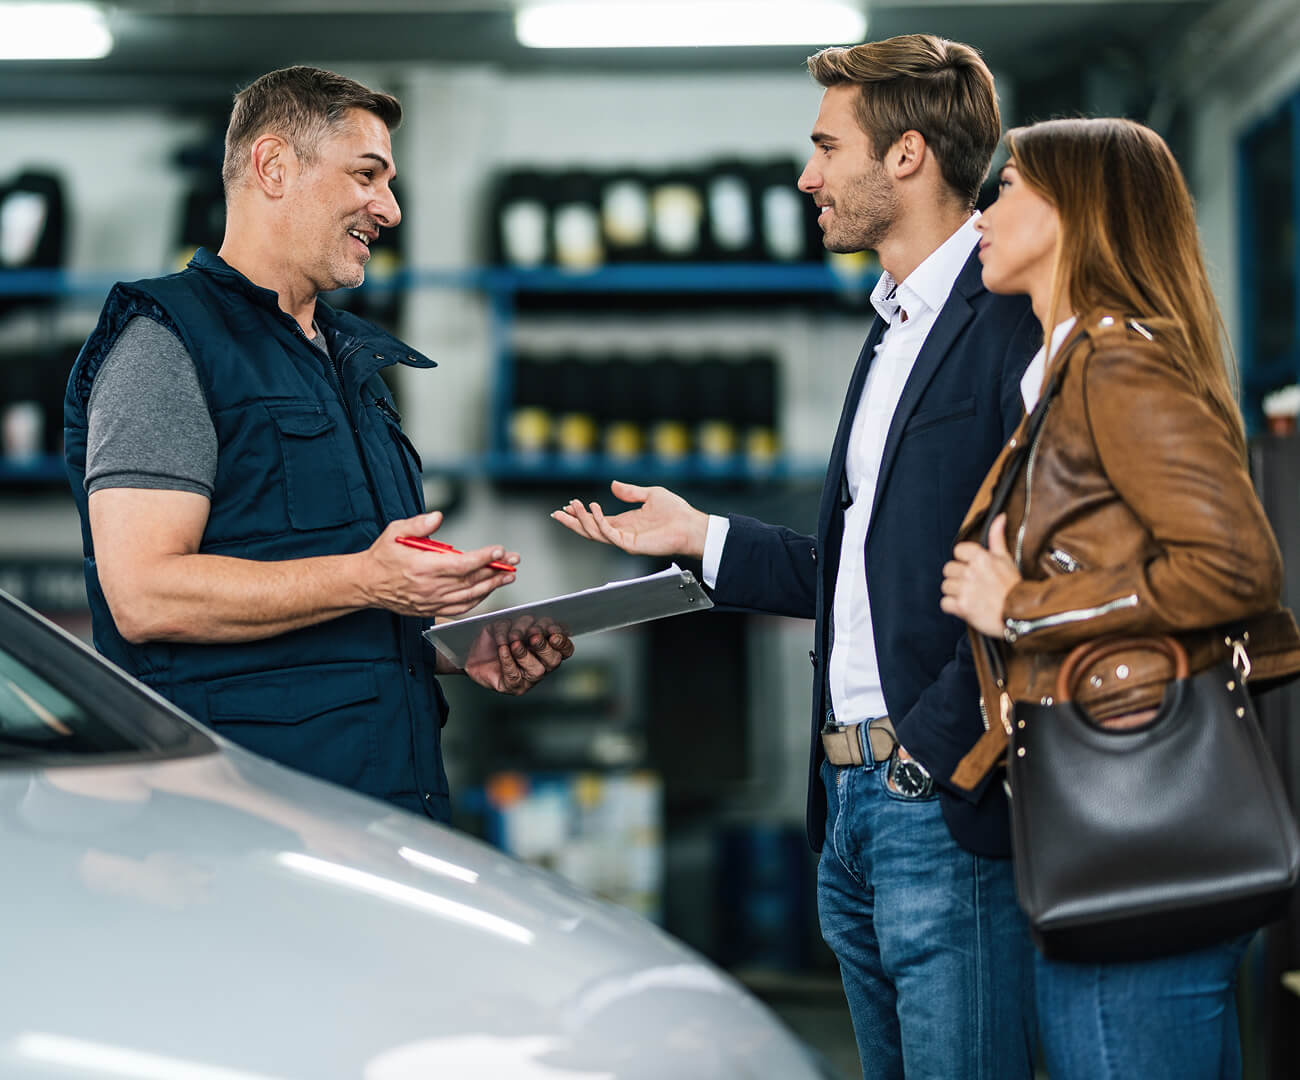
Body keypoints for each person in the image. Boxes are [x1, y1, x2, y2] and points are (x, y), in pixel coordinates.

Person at [553, 35, 1039, 1079]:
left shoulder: (1008, 321)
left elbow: (1038, 555)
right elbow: (871, 574)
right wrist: (702, 538)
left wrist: (935, 747)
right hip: (849, 807)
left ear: (906, 157)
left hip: (936, 802)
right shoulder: (890, 325)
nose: (807, 176)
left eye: (827, 148)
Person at [63, 66, 572, 823]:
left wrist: (451, 649)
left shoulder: (350, 364)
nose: (390, 208)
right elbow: (142, 595)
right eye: (367, 175)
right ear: (274, 167)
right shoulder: (166, 346)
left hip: (381, 811)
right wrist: (368, 581)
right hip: (241, 830)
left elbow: (335, 607)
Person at [940, 116, 1300, 1079]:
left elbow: (1234, 569)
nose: (982, 212)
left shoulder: (1119, 361)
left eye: (1006, 189)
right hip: (1110, 834)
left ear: (1074, 211)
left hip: (1137, 845)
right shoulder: (1067, 369)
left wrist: (1021, 606)